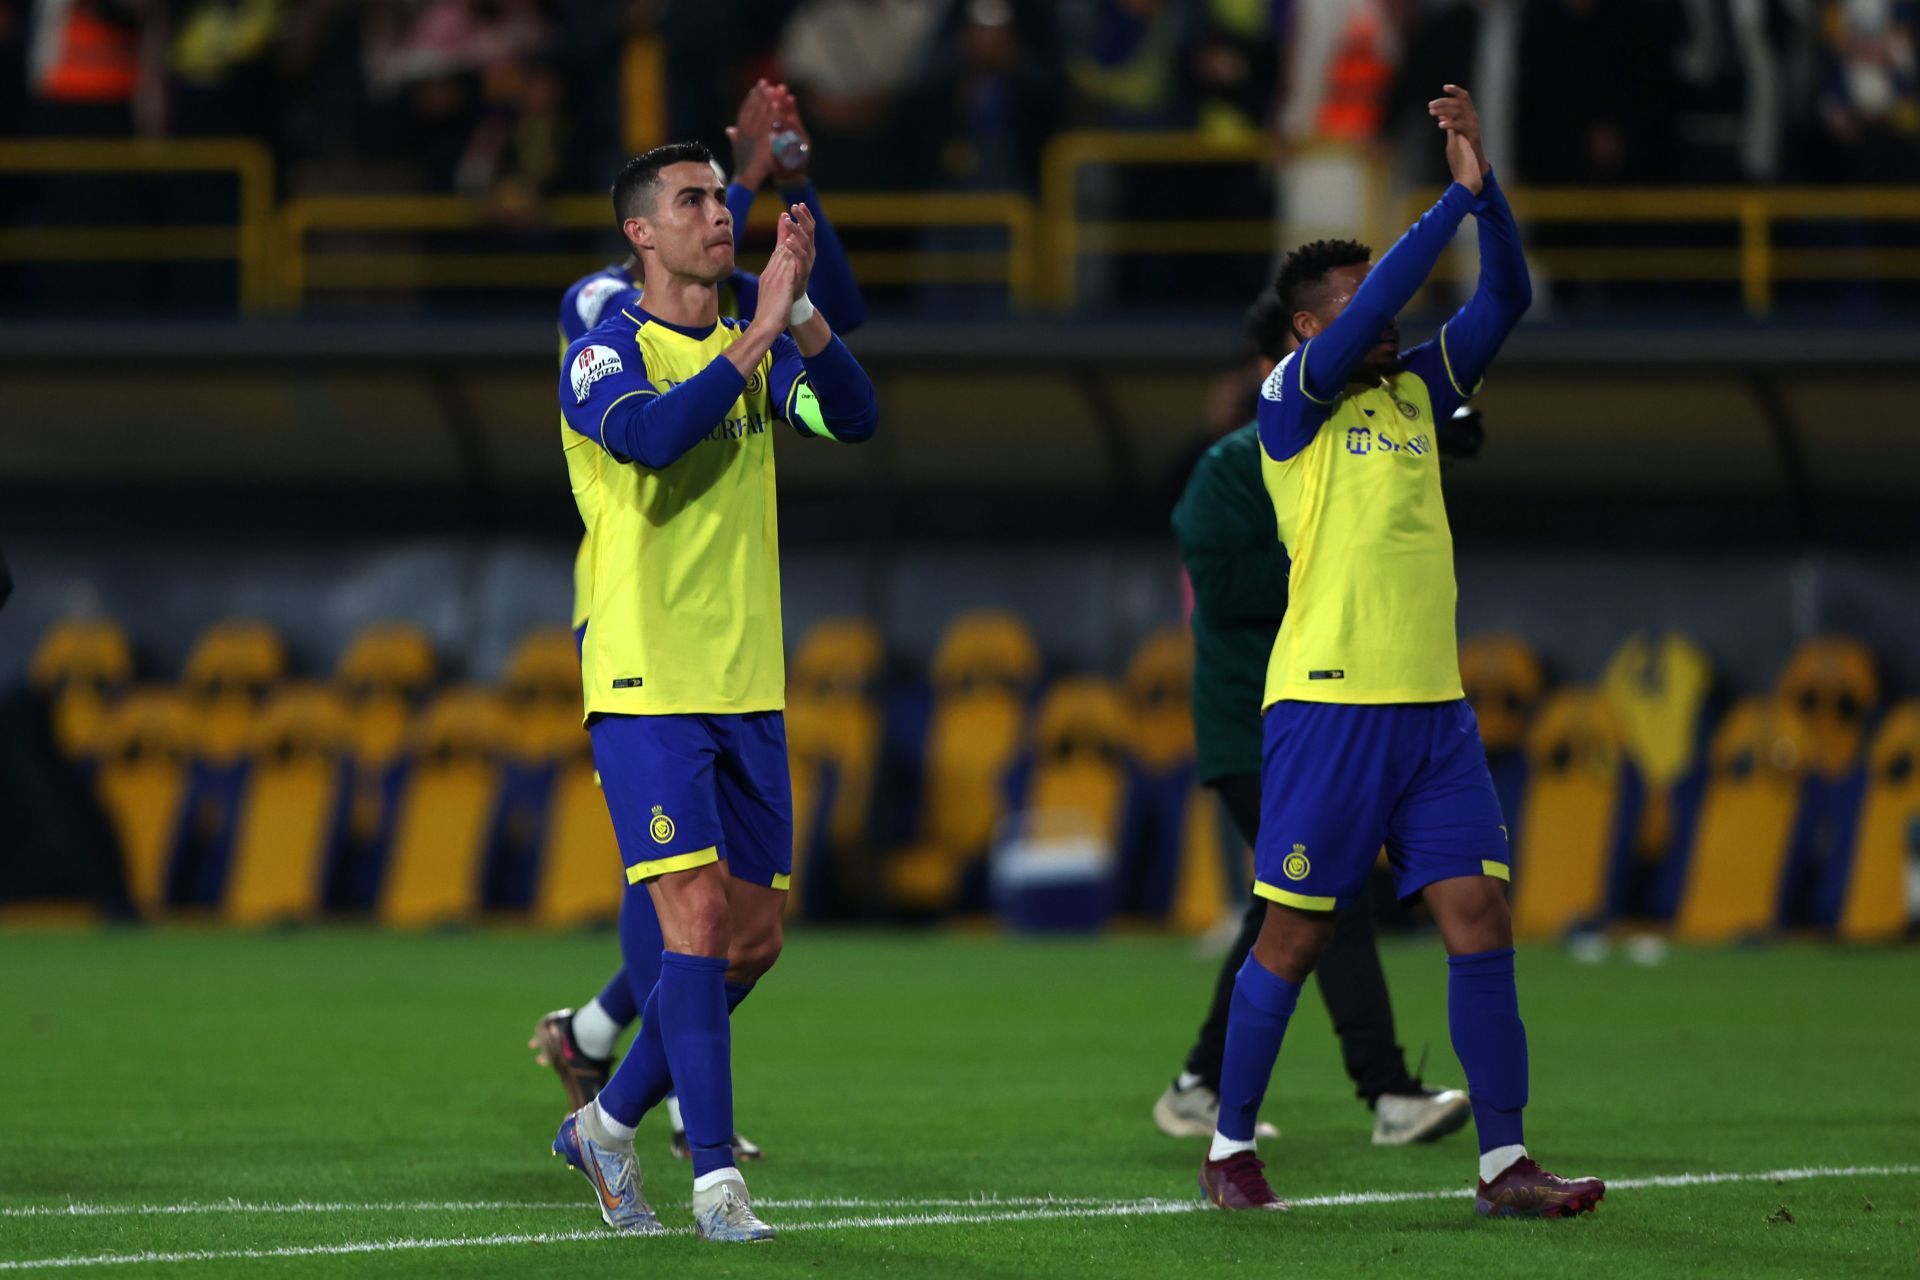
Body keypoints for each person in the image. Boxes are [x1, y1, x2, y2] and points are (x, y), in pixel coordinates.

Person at [1197, 86, 1606, 1219]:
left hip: (1434, 711)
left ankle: (1502, 1161)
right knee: (1297, 928)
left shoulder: (1420, 388)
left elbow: (1509, 295)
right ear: (1306, 331)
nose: (1385, 324)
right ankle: (1230, 1143)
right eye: (1358, 311)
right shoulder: (1293, 404)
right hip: (1328, 708)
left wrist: (1491, 199)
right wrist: (1447, 206)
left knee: (1480, 918)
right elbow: (1389, 289)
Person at [531, 78, 866, 1165]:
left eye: (726, 199)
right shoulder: (599, 320)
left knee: (743, 932)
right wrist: (759, 317)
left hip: (744, 672)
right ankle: (705, 1157)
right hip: (638, 655)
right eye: (697, 201)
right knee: (688, 909)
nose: (721, 214)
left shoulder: (746, 339)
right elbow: (654, 428)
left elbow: (845, 382)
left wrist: (789, 274)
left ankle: (607, 1088)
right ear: (639, 231)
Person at [1157, 291, 1480, 1149]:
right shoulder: (1231, 465)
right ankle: (1386, 1092)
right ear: (1276, 369)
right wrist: (1331, 569)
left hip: (1326, 708)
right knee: (1322, 899)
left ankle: (1200, 1082)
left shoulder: (1349, 441)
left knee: (1288, 908)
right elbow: (1224, 589)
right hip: (1257, 718)